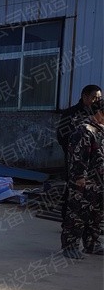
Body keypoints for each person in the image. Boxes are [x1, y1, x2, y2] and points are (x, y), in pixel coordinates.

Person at [60, 97, 104, 259]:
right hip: (84, 181)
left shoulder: (101, 129)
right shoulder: (84, 130)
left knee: (96, 215)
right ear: (99, 112)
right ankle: (70, 245)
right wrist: (79, 177)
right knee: (77, 214)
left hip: (100, 182)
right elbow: (78, 156)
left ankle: (92, 243)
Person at [57, 85, 101, 220]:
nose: (97, 100)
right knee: (73, 190)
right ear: (84, 97)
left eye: (99, 98)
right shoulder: (71, 113)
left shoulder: (99, 114)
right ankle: (68, 221)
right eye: (95, 97)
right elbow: (61, 136)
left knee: (94, 192)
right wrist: (75, 153)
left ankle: (89, 222)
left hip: (96, 162)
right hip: (76, 161)